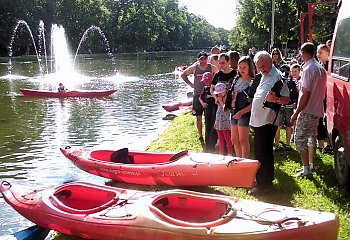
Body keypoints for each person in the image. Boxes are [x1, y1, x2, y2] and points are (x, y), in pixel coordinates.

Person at [249, 51, 290, 195]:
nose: (261, 69)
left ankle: (263, 185)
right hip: (259, 119)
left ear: (271, 62)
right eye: (259, 67)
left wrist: (276, 100)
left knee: (263, 152)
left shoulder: (278, 77)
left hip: (267, 120)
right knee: (262, 151)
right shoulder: (265, 75)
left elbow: (287, 99)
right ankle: (264, 181)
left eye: (263, 66)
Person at [291, 42, 327, 177]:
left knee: (300, 139)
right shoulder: (320, 68)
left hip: (307, 109)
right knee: (311, 137)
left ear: (303, 53)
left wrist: (296, 112)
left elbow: (305, 94)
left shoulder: (307, 69)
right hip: (317, 108)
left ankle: (306, 168)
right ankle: (310, 165)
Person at [181, 51, 218, 143]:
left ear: (207, 59)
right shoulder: (195, 68)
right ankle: (200, 135)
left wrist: (215, 86)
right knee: (198, 117)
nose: (203, 61)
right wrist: (191, 84)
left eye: (204, 59)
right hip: (197, 95)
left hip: (208, 95)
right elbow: (183, 75)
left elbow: (219, 75)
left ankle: (209, 134)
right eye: (201, 59)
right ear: (198, 59)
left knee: (209, 117)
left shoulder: (211, 67)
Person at [225, 56, 255, 158]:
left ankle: (244, 160)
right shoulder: (236, 79)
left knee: (243, 139)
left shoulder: (252, 82)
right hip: (233, 110)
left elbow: (253, 103)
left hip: (245, 112)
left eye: (244, 67)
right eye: (240, 67)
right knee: (234, 139)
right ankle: (238, 159)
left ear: (250, 68)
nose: (242, 70)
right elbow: (231, 94)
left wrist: (241, 112)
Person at [273, 64, 299, 151]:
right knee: (288, 125)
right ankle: (287, 144)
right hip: (289, 105)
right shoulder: (292, 82)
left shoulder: (278, 81)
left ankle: (276, 145)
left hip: (279, 104)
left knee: (278, 126)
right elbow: (295, 94)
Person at [316, 44, 332, 153]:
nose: (318, 55)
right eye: (317, 52)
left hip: (330, 97)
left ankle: (330, 144)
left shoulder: (331, 66)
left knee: (328, 120)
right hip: (321, 96)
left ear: (327, 53)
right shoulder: (319, 65)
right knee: (319, 120)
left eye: (320, 52)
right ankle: (321, 143)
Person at [199, 72, 217, 153]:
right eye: (204, 81)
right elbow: (200, 97)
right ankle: (207, 145)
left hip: (214, 108)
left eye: (207, 81)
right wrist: (202, 103)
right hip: (207, 109)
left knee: (213, 126)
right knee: (207, 126)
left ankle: (212, 145)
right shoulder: (205, 88)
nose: (205, 82)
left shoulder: (215, 88)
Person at [213, 83, 232, 155]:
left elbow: (226, 109)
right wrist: (216, 121)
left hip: (225, 121)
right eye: (218, 93)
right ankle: (221, 154)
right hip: (219, 120)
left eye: (221, 92)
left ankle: (229, 153)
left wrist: (220, 101)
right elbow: (218, 111)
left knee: (227, 138)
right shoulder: (219, 98)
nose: (219, 94)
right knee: (220, 139)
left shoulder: (228, 98)